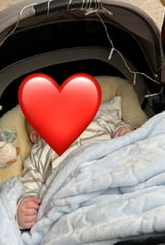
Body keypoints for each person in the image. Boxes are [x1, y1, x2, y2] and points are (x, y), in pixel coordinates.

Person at [16, 96, 134, 229]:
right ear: (36, 137)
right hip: (73, 186)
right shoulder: (39, 153)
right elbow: (29, 182)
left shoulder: (95, 121)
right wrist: (25, 204)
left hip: (112, 166)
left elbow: (116, 123)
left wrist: (124, 129)